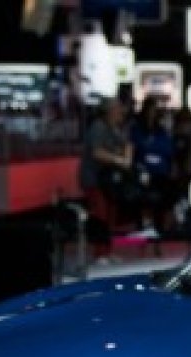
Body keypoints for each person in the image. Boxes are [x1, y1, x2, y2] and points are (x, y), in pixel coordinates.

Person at [79, 97, 133, 261]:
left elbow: (127, 145)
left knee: (110, 216)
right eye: (117, 108)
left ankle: (107, 252)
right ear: (109, 111)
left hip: (109, 181)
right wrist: (119, 160)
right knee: (100, 215)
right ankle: (99, 253)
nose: (121, 112)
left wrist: (126, 158)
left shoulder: (115, 129)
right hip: (94, 179)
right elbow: (97, 153)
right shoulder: (98, 127)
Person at [129, 95, 176, 232]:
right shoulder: (136, 130)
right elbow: (136, 149)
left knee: (163, 197)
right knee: (143, 197)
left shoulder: (161, 131)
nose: (152, 113)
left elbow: (168, 150)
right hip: (143, 172)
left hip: (161, 173)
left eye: (155, 110)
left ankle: (160, 227)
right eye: (150, 110)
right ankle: (144, 225)